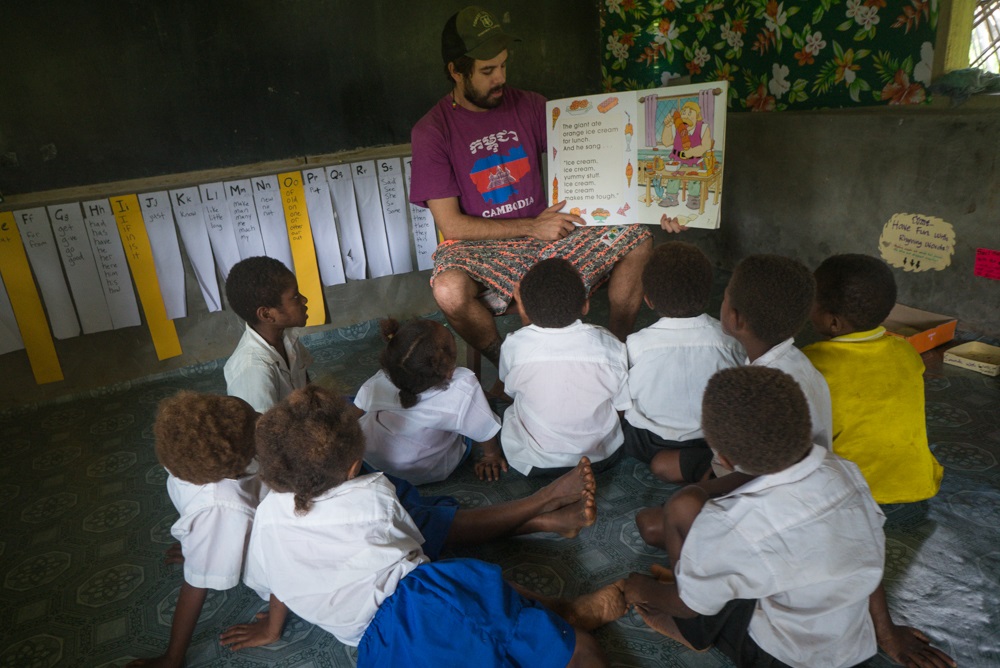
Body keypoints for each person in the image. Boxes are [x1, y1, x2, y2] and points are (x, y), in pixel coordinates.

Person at [245, 386, 628, 667]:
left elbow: (272, 583)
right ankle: (564, 613)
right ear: (351, 468)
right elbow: (417, 548)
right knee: (578, 650)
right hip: (424, 603)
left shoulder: (264, 517)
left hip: (376, 649)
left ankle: (550, 594)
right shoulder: (373, 496)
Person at [623, 367, 956, 668]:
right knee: (733, 566)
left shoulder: (734, 527)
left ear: (722, 457)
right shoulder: (844, 473)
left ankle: (691, 634)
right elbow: (869, 556)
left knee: (702, 592)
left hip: (781, 657)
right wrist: (887, 632)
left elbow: (689, 605)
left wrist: (640, 588)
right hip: (853, 649)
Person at [409, 5, 653, 373]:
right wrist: (531, 226)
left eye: (504, 65)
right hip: (482, 248)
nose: (500, 78)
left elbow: (599, 157)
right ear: (456, 71)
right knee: (448, 289)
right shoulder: (432, 131)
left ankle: (616, 354)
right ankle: (510, 366)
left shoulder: (533, 106)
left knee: (639, 238)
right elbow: (453, 226)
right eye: (488, 70)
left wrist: (656, 202)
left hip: (551, 235)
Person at [127, 392, 288, 667]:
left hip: (253, 532)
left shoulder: (186, 456)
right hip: (277, 561)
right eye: (255, 423)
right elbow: (195, 585)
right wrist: (173, 657)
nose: (262, 418)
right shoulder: (218, 506)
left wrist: (199, 544)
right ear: (238, 458)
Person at [804, 254, 944, 504]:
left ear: (833, 322)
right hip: (918, 482)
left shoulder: (812, 363)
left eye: (812, 301)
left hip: (850, 491)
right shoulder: (906, 351)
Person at [622, 242, 743, 483]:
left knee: (623, 421)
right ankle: (703, 464)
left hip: (650, 442)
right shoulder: (730, 342)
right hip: (713, 439)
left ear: (648, 300)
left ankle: (684, 464)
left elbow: (624, 393)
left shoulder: (636, 344)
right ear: (710, 293)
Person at [499, 258, 630, 476]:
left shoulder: (514, 346)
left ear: (524, 309)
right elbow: (622, 404)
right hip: (600, 458)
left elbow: (510, 389)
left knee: (513, 406)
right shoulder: (610, 346)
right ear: (586, 305)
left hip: (534, 462)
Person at [355, 317, 507, 484]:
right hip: (427, 469)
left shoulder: (383, 378)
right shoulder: (462, 385)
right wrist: (491, 455)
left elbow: (357, 409)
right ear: (449, 372)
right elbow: (482, 427)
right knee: (481, 408)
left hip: (373, 459)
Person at [718, 254, 833, 451]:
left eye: (724, 297)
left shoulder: (759, 395)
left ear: (737, 319)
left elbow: (754, 467)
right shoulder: (802, 363)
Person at [223, 256, 310, 413]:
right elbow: (262, 433)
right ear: (267, 315)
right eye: (295, 297)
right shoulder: (253, 370)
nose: (304, 300)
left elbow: (306, 386)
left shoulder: (288, 337)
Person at [656, 100, 712, 210]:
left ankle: (694, 198)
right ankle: (671, 197)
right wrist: (667, 126)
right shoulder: (676, 127)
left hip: (694, 162)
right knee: (673, 178)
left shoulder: (703, 128)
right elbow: (666, 142)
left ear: (698, 116)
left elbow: (706, 145)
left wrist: (691, 152)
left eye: (690, 113)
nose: (686, 115)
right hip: (677, 161)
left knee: (694, 178)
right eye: (684, 112)